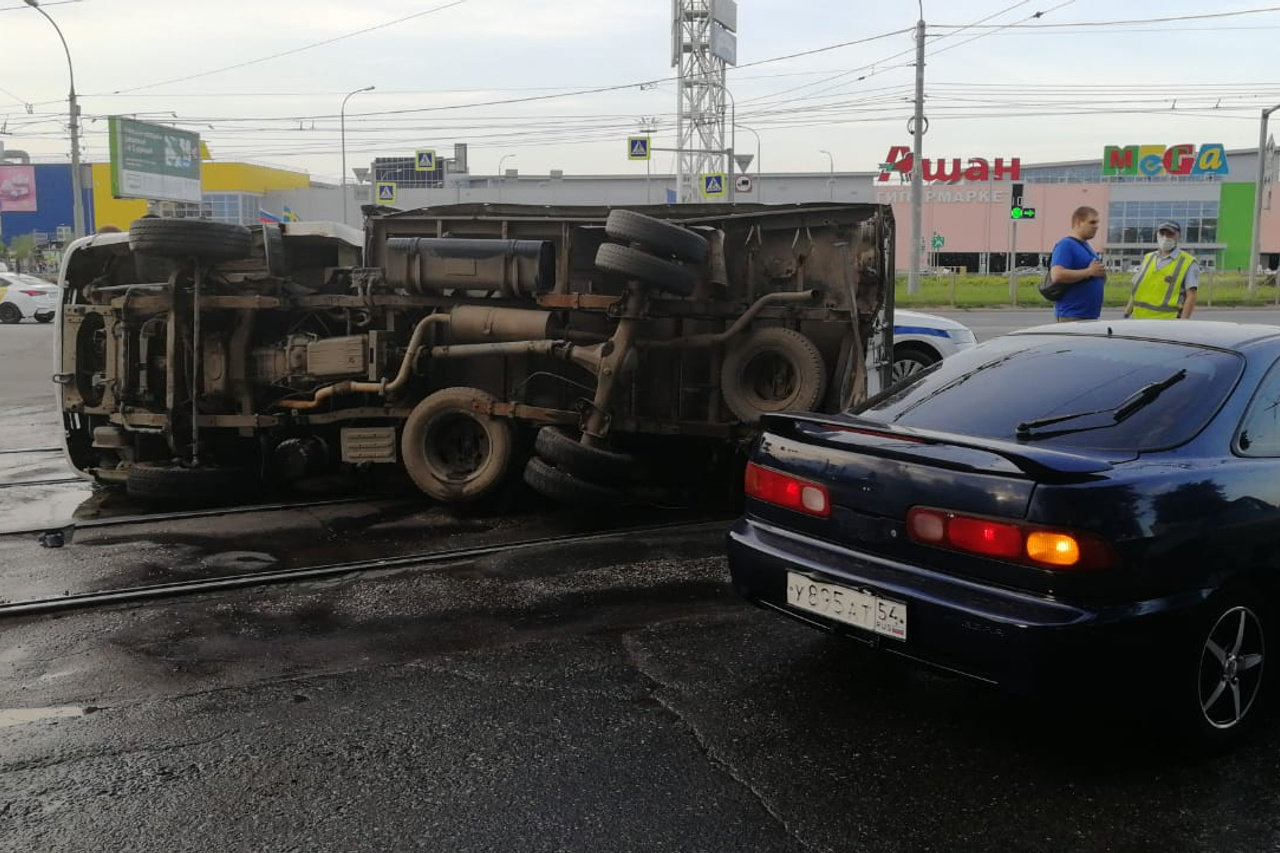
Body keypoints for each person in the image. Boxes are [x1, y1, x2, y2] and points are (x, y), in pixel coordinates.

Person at [1125, 220, 1200, 319]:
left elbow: (1191, 296)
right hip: (1139, 320)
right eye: (1162, 233)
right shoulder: (1148, 258)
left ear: (1178, 236)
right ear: (1157, 234)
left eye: (1170, 234)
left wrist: (1183, 322)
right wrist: (1126, 313)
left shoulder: (1188, 262)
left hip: (1167, 323)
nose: (1165, 237)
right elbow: (1137, 291)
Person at [1048, 206, 1107, 321]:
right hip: (1073, 315)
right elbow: (1057, 275)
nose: (1096, 226)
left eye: (1097, 223)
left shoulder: (1086, 247)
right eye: (1092, 222)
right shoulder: (1066, 245)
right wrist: (1089, 272)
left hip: (1088, 315)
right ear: (1078, 223)